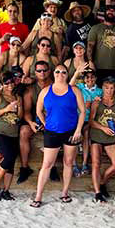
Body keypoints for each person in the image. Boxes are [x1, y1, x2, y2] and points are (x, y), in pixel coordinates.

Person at [32, 64, 86, 207]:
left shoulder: (74, 90)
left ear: (67, 75)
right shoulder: (45, 91)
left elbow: (82, 111)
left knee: (68, 162)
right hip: (52, 132)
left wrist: (79, 130)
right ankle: (38, 196)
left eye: (63, 72)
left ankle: (64, 193)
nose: (60, 74)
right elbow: (38, 111)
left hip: (71, 132)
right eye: (57, 71)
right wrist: (46, 123)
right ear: (53, 73)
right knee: (47, 164)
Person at [0, 71, 23, 202]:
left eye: (11, 82)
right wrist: (6, 109)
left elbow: (20, 117)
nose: (9, 85)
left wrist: (18, 109)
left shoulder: (17, 97)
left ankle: (6, 190)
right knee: (8, 156)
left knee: (11, 162)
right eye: (6, 83)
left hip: (13, 132)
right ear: (2, 84)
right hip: (0, 132)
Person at [89, 76, 115, 202]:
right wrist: (103, 128)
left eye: (111, 88)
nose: (108, 90)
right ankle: (98, 192)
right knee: (96, 163)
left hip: (111, 136)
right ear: (102, 88)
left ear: (114, 89)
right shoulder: (97, 102)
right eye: (106, 87)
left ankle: (102, 181)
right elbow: (91, 121)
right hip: (97, 135)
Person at [20, 61, 53, 183]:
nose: (42, 73)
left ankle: (52, 167)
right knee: (24, 132)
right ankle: (24, 168)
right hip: (36, 120)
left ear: (49, 71)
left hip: (51, 121)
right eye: (39, 71)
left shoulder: (55, 86)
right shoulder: (30, 89)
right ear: (35, 73)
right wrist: (30, 123)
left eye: (44, 70)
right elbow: (27, 111)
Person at [87, 6, 115, 83]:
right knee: (100, 90)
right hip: (99, 66)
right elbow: (90, 46)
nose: (110, 12)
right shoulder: (96, 28)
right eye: (108, 11)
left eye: (113, 11)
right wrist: (90, 61)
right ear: (105, 13)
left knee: (114, 90)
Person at [72, 67, 101, 176]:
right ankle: (74, 164)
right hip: (77, 118)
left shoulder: (99, 91)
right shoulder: (79, 87)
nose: (90, 79)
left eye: (92, 77)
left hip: (90, 120)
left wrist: (95, 104)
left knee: (87, 134)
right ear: (84, 79)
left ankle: (84, 163)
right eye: (87, 77)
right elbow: (69, 86)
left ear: (96, 78)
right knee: (75, 136)